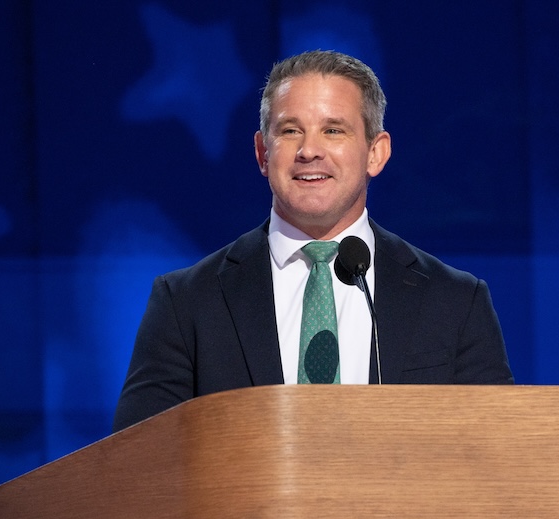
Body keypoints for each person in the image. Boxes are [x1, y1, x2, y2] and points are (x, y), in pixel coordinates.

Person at [112, 50, 513, 432]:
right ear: (262, 153)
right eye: (290, 131)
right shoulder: (186, 303)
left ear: (376, 153)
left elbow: (498, 453)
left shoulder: (455, 301)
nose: (309, 151)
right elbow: (137, 460)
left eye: (333, 130)